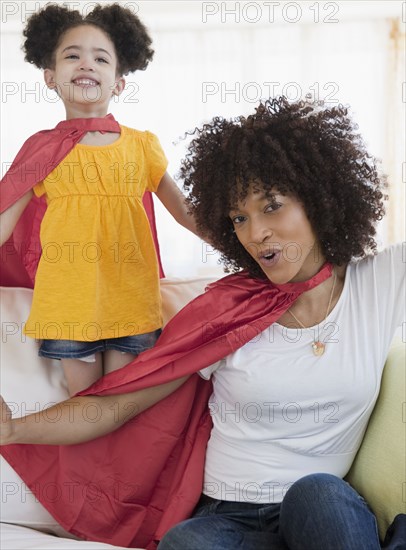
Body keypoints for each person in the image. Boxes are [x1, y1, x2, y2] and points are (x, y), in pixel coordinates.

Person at [1, 97, 404, 550]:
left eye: (271, 206)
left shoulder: (378, 284)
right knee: (185, 544)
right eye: (239, 218)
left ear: (319, 198)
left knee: (318, 493)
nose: (255, 233)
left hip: (319, 515)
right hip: (226, 518)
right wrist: (14, 429)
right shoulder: (226, 310)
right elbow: (117, 404)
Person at [0, 3, 202, 396]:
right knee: (87, 407)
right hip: (68, 309)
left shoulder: (142, 146)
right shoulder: (40, 149)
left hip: (130, 303)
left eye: (100, 58)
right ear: (50, 77)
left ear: (119, 82)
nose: (85, 64)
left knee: (120, 408)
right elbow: (5, 218)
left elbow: (186, 213)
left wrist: (243, 241)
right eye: (72, 56)